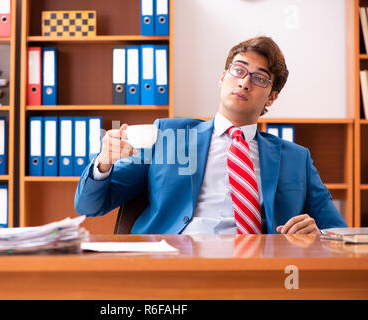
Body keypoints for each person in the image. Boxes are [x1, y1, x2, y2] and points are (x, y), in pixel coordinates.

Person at [74, 36, 347, 234]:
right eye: (238, 70)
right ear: (222, 77)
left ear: (271, 98)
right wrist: (104, 162)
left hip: (259, 273)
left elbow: (339, 232)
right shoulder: (170, 136)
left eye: (259, 78)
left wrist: (318, 235)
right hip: (172, 265)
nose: (244, 82)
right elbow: (90, 205)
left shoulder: (296, 159)